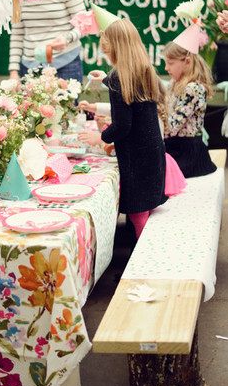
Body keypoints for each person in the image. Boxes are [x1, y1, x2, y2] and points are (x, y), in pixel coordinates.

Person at [78, 19, 167, 238]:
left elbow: (122, 126)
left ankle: (143, 253)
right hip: (153, 152)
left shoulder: (118, 78)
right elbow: (131, 99)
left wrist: (100, 137)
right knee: (147, 207)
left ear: (114, 48)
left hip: (136, 158)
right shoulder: (143, 69)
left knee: (138, 213)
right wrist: (106, 79)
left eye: (108, 52)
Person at [79, 77, 186, 198]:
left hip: (151, 163)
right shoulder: (147, 109)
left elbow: (122, 116)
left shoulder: (149, 115)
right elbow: (117, 111)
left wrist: (101, 136)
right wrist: (93, 107)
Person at [163, 41, 216, 178]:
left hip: (187, 154)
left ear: (187, 62)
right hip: (175, 146)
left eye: (170, 63)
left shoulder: (192, 89)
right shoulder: (174, 84)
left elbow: (172, 127)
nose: (166, 68)